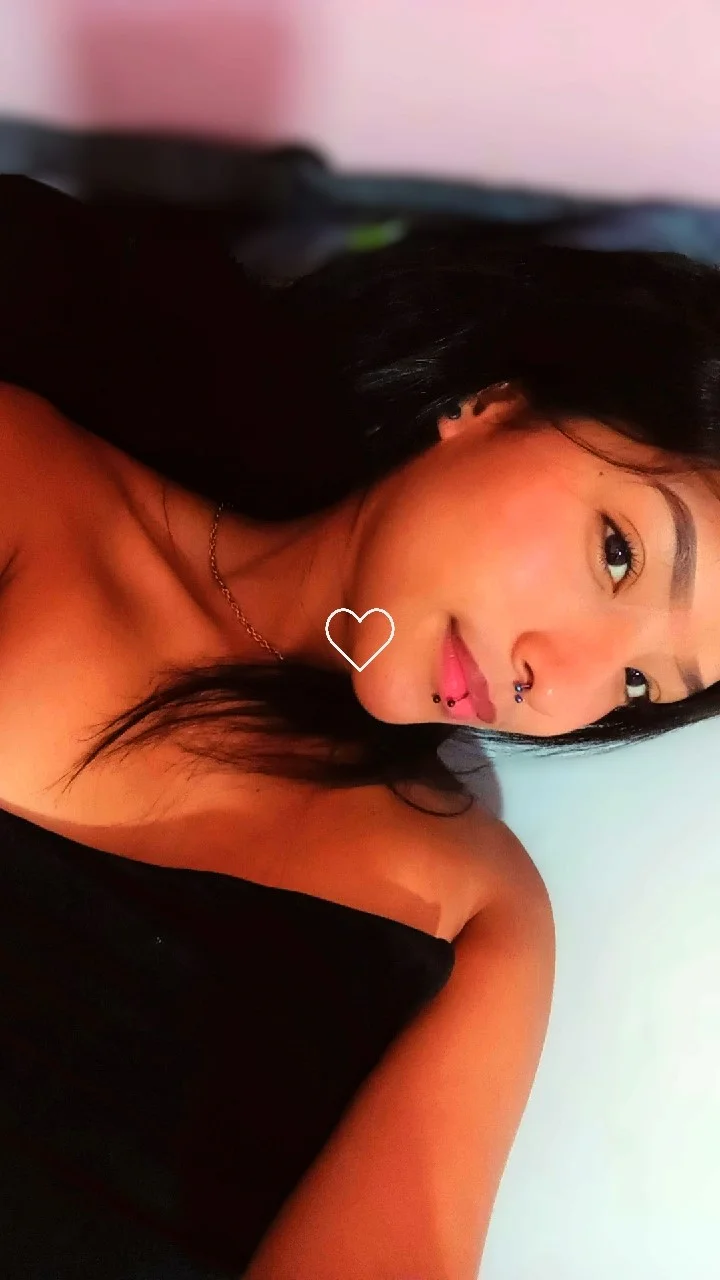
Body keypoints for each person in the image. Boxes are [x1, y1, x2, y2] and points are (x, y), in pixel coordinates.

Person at [0, 174, 718, 1280]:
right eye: (618, 553)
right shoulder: (27, 479)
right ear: (493, 404)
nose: (561, 677)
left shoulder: (473, 908)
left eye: (639, 683)